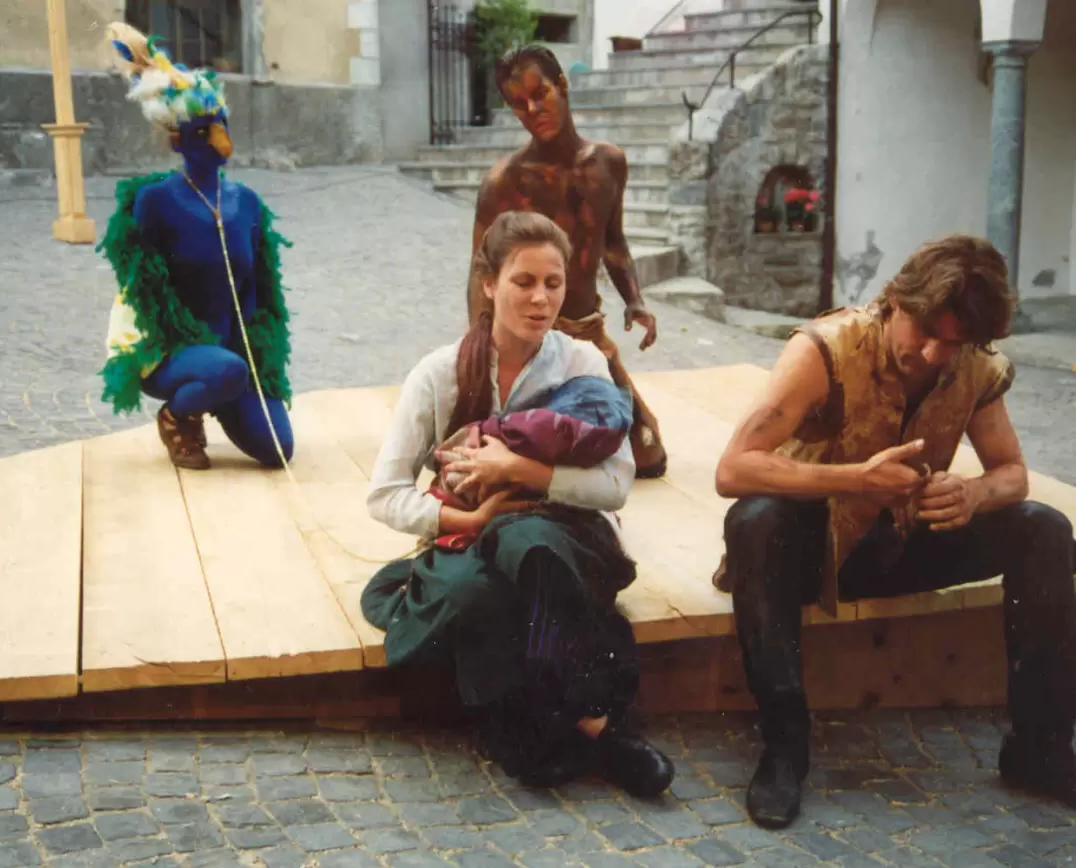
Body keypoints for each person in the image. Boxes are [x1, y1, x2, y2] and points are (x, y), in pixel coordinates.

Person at [713, 235, 1076, 828]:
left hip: (902, 543)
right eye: (925, 332)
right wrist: (855, 479)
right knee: (753, 521)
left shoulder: (974, 365)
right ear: (896, 301)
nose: (933, 354)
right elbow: (733, 469)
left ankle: (1041, 747)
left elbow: (1012, 473)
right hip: (810, 552)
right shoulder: (825, 348)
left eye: (953, 342)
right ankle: (784, 748)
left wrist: (973, 493)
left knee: (1046, 529)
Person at [364, 211, 674, 795]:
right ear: (489, 284)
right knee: (475, 589)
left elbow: (614, 486)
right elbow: (384, 495)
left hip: (562, 536)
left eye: (553, 283)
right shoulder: (438, 374)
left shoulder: (582, 363)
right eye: (523, 282)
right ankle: (585, 726)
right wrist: (469, 516)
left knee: (528, 541)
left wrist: (518, 470)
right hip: (469, 535)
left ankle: (556, 728)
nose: (540, 299)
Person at [97, 22, 294, 471]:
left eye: (222, 124)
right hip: (171, 351)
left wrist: (256, 358)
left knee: (278, 449)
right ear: (177, 139)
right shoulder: (155, 201)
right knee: (223, 370)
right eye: (204, 131)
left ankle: (220, 389)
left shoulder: (247, 203)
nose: (221, 140)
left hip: (231, 355)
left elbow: (258, 293)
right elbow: (144, 292)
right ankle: (178, 415)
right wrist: (201, 355)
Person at [466, 44, 667, 479]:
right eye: (518, 103)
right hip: (531, 337)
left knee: (649, 455)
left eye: (540, 94)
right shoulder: (505, 182)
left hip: (587, 332)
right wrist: (481, 356)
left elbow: (613, 242)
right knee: (523, 446)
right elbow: (481, 272)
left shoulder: (609, 163)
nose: (532, 110)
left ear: (562, 85)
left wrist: (634, 300)